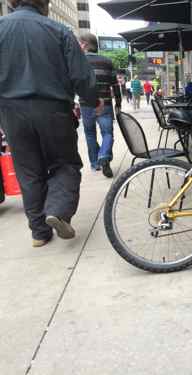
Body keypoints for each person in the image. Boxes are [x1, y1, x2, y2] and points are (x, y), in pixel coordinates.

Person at [0, 0, 101, 247]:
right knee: (65, 163)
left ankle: (39, 232)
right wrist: (91, 100)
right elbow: (80, 74)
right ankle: (58, 211)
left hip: (12, 112)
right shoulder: (58, 31)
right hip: (54, 109)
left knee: (28, 171)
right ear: (44, 4)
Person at [78, 32, 122, 178]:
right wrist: (119, 103)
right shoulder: (107, 61)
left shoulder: (79, 61)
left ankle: (96, 163)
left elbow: (74, 83)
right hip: (105, 104)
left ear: (84, 44)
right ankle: (104, 155)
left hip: (86, 104)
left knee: (90, 134)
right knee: (107, 133)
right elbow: (115, 85)